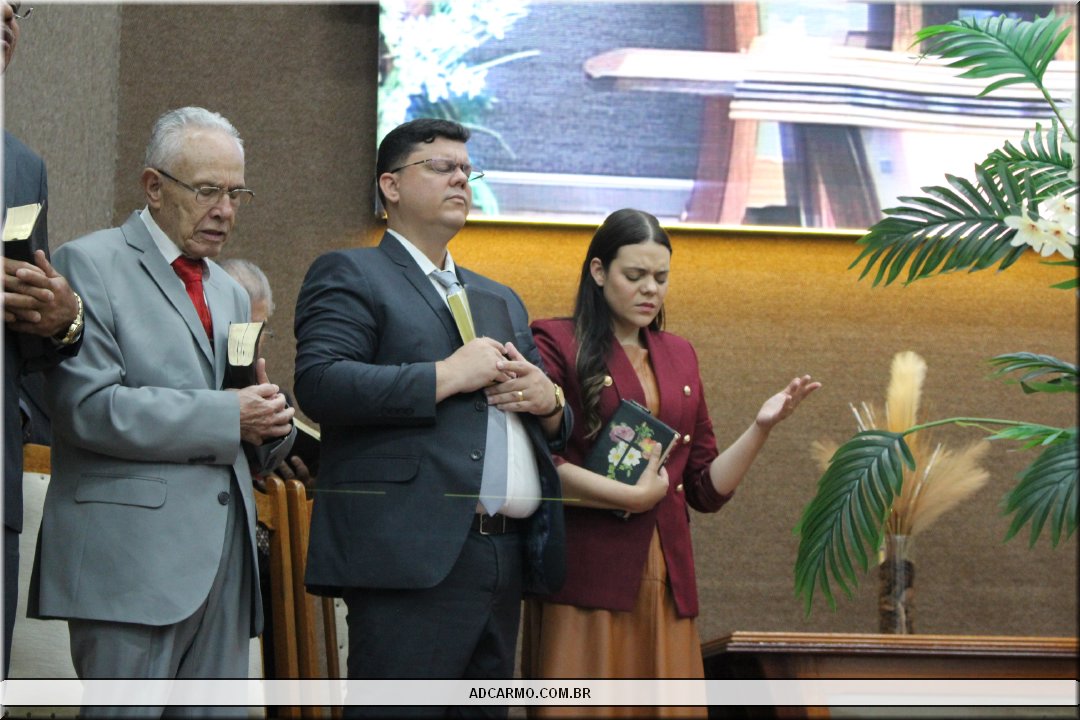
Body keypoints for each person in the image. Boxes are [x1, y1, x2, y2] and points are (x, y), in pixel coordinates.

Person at [294, 117, 568, 716]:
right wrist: (448, 375)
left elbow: (555, 420)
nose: (460, 180)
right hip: (408, 551)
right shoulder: (351, 273)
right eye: (441, 167)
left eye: (467, 170)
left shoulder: (499, 297)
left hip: (504, 553)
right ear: (391, 186)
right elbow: (320, 383)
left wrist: (550, 402)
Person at [27, 106, 295, 716]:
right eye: (207, 191)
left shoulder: (229, 290)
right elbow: (89, 408)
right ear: (153, 186)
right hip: (132, 564)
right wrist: (230, 416)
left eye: (236, 193)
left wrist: (268, 423)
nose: (225, 210)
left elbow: (233, 405)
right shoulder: (88, 263)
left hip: (224, 563)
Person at [522, 208, 820, 717]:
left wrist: (761, 427)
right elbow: (538, 464)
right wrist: (632, 496)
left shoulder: (680, 353)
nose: (650, 290)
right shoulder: (556, 341)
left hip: (666, 574)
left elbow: (703, 488)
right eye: (635, 275)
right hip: (587, 575)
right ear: (599, 272)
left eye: (661, 278)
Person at [2, 0, 84, 679]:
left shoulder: (22, 165)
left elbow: (33, 346)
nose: (7, 13)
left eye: (17, 5)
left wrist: (63, 318)